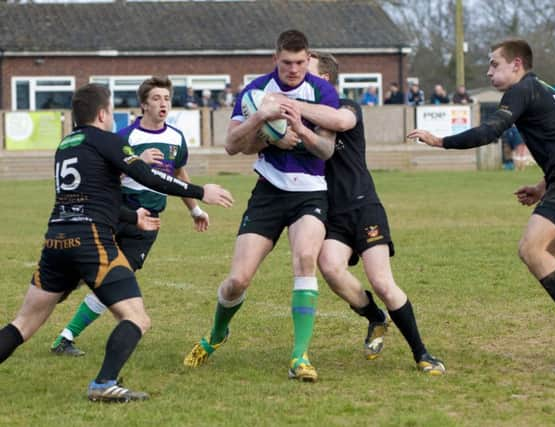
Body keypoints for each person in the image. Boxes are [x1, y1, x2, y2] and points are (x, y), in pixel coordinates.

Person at [0, 83, 233, 402]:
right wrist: (199, 192)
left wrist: (131, 217)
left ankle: (93, 367)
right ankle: (103, 383)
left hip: (56, 239)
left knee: (23, 323)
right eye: (109, 112)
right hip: (90, 240)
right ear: (102, 114)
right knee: (136, 317)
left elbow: (92, 196)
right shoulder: (108, 140)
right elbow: (150, 177)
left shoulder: (66, 145)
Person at [408, 38, 555, 370]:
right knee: (545, 256)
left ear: (516, 65)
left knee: (531, 249)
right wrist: (543, 187)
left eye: (494, 64)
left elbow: (489, 131)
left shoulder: (522, 90)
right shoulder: (546, 90)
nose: (489, 71)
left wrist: (440, 141)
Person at [183, 29, 339, 382]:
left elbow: (327, 150)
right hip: (269, 191)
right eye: (287, 62)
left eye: (300, 62)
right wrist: (263, 121)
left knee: (304, 260)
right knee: (238, 280)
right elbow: (231, 144)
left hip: (311, 191)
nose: (295, 69)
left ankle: (300, 356)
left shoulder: (322, 91)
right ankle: (218, 333)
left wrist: (299, 129)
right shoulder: (256, 92)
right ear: (275, 58)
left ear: (308, 57)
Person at [281, 51, 445, 375]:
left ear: (323, 78)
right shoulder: (304, 119)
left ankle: (422, 353)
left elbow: (341, 123)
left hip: (363, 205)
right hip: (332, 213)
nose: (297, 74)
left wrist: (296, 113)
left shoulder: (346, 106)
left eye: (306, 69)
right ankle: (375, 318)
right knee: (329, 267)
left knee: (383, 282)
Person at [50, 76, 211, 356]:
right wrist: (138, 160)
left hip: (148, 222)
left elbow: (178, 175)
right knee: (96, 276)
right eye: (157, 99)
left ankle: (65, 335)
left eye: (167, 99)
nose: (163, 104)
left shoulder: (176, 137)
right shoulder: (124, 137)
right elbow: (105, 174)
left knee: (115, 275)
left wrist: (195, 209)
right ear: (143, 105)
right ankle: (59, 327)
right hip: (118, 214)